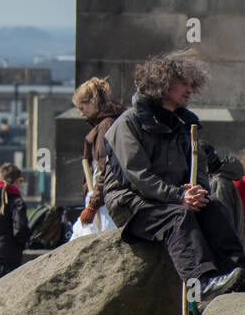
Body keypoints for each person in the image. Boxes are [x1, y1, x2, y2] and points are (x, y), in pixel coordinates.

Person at [102, 51, 245, 302]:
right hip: (133, 203)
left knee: (213, 209)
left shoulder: (184, 124)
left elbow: (198, 168)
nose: (190, 89)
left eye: (192, 84)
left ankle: (237, 272)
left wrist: (198, 192)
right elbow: (139, 176)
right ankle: (200, 283)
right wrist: (179, 196)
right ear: (163, 83)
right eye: (184, 83)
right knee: (179, 217)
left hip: (172, 198)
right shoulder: (127, 124)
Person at [73, 76, 125, 233]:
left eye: (82, 108)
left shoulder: (105, 126)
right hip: (106, 197)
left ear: (93, 102)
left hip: (104, 200)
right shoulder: (111, 122)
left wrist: (92, 204)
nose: (81, 114)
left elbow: (105, 167)